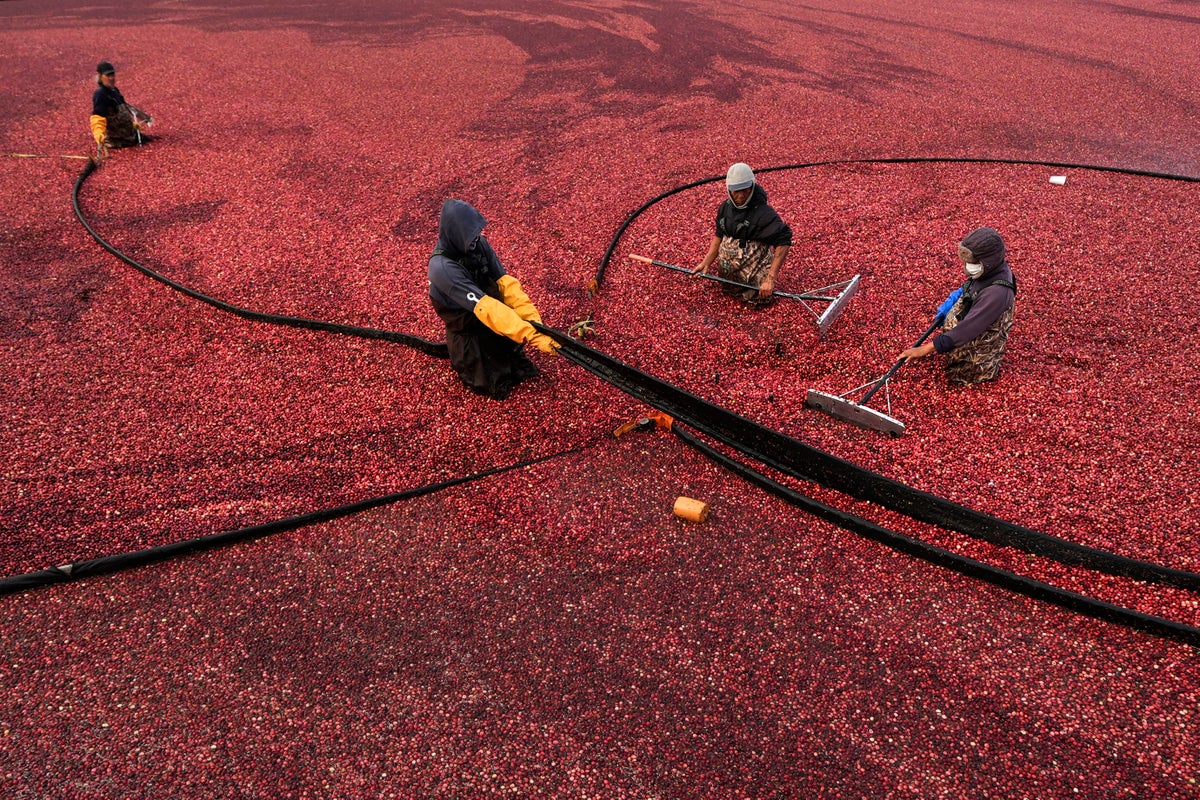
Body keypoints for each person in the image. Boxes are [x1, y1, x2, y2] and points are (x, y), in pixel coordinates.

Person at [427, 199, 559, 400]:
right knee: (494, 384)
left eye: (476, 234)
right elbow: (485, 307)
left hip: (492, 318)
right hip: (469, 329)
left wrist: (535, 323)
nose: (475, 239)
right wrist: (529, 335)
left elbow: (506, 284)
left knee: (521, 370)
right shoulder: (442, 268)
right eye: (469, 236)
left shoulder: (480, 245)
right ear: (455, 234)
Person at [900, 227, 1017, 385]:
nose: (968, 266)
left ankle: (967, 374)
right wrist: (955, 299)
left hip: (976, 357)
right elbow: (973, 286)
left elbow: (967, 330)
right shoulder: (990, 271)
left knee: (965, 372)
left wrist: (923, 350)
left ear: (988, 261)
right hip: (963, 335)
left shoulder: (997, 293)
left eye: (973, 263)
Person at [692, 162, 792, 307]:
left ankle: (755, 287)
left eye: (745, 190)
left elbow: (784, 241)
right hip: (728, 280)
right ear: (729, 190)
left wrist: (770, 279)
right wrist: (706, 262)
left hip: (754, 281)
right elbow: (719, 234)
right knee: (730, 290)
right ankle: (732, 283)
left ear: (752, 186)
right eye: (736, 191)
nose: (741, 196)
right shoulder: (725, 208)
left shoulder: (764, 214)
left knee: (759, 300)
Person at [89, 61, 153, 156]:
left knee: (154, 140)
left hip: (129, 137)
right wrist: (99, 133)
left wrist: (131, 124)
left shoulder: (114, 90)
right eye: (108, 76)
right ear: (100, 76)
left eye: (113, 75)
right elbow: (98, 117)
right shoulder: (100, 94)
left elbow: (123, 109)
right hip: (116, 140)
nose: (112, 78)